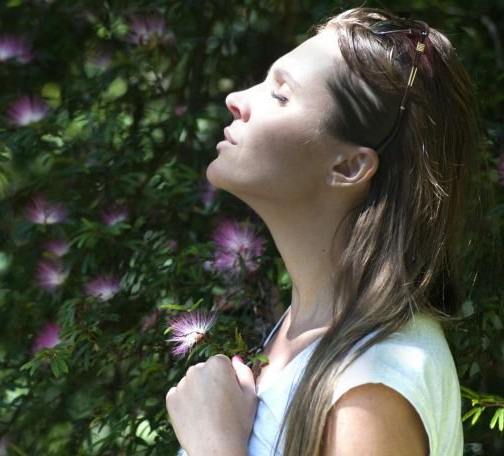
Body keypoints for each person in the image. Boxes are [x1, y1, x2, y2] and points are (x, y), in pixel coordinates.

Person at [166, 7, 479, 456]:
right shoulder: (299, 335)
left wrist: (213, 446)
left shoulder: (373, 384)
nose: (237, 97)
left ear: (349, 166)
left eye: (280, 94)